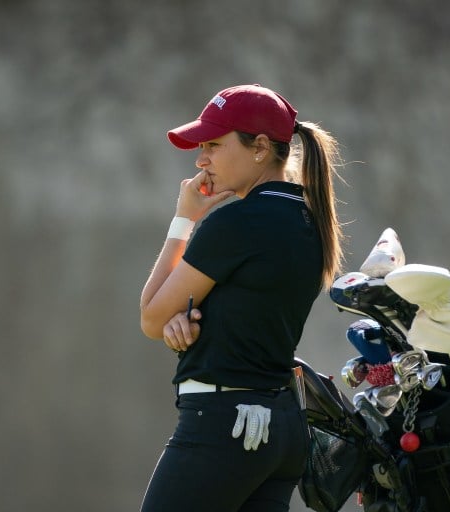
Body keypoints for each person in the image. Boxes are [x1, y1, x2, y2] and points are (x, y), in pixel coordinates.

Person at [139, 84, 345, 512]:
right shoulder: (309, 220)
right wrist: (194, 321)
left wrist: (185, 218)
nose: (201, 159)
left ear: (261, 148)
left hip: (224, 425)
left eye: (214, 144)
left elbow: (151, 317)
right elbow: (239, 310)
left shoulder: (236, 221)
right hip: (282, 429)